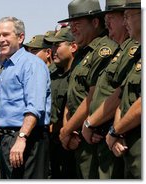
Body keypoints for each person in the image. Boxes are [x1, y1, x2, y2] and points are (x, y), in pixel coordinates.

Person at [77, 0, 140, 179]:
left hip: (125, 138)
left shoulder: (132, 49)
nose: (107, 23)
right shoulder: (124, 50)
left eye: (111, 18)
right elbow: (124, 92)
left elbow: (126, 98)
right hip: (111, 136)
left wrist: (109, 128)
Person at [58, 0, 118, 179]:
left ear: (95, 22)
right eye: (70, 25)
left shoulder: (103, 50)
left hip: (95, 134)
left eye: (77, 24)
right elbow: (72, 96)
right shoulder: (82, 54)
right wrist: (67, 129)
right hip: (78, 135)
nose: (72, 29)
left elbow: (92, 97)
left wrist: (66, 130)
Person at [0, 16, 51, 179]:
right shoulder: (6, 68)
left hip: (27, 138)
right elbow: (4, 113)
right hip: (7, 140)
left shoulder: (31, 64)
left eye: (6, 35)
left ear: (20, 37)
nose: (0, 39)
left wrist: (22, 138)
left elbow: (35, 107)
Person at [105, 0, 141, 179]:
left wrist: (115, 131)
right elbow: (125, 96)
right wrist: (116, 131)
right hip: (128, 146)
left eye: (127, 16)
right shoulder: (138, 53)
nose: (125, 21)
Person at [44, 26, 78, 178]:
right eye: (52, 46)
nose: (53, 50)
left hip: (72, 140)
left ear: (73, 46)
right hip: (52, 143)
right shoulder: (53, 75)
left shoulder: (78, 73)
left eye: (58, 45)